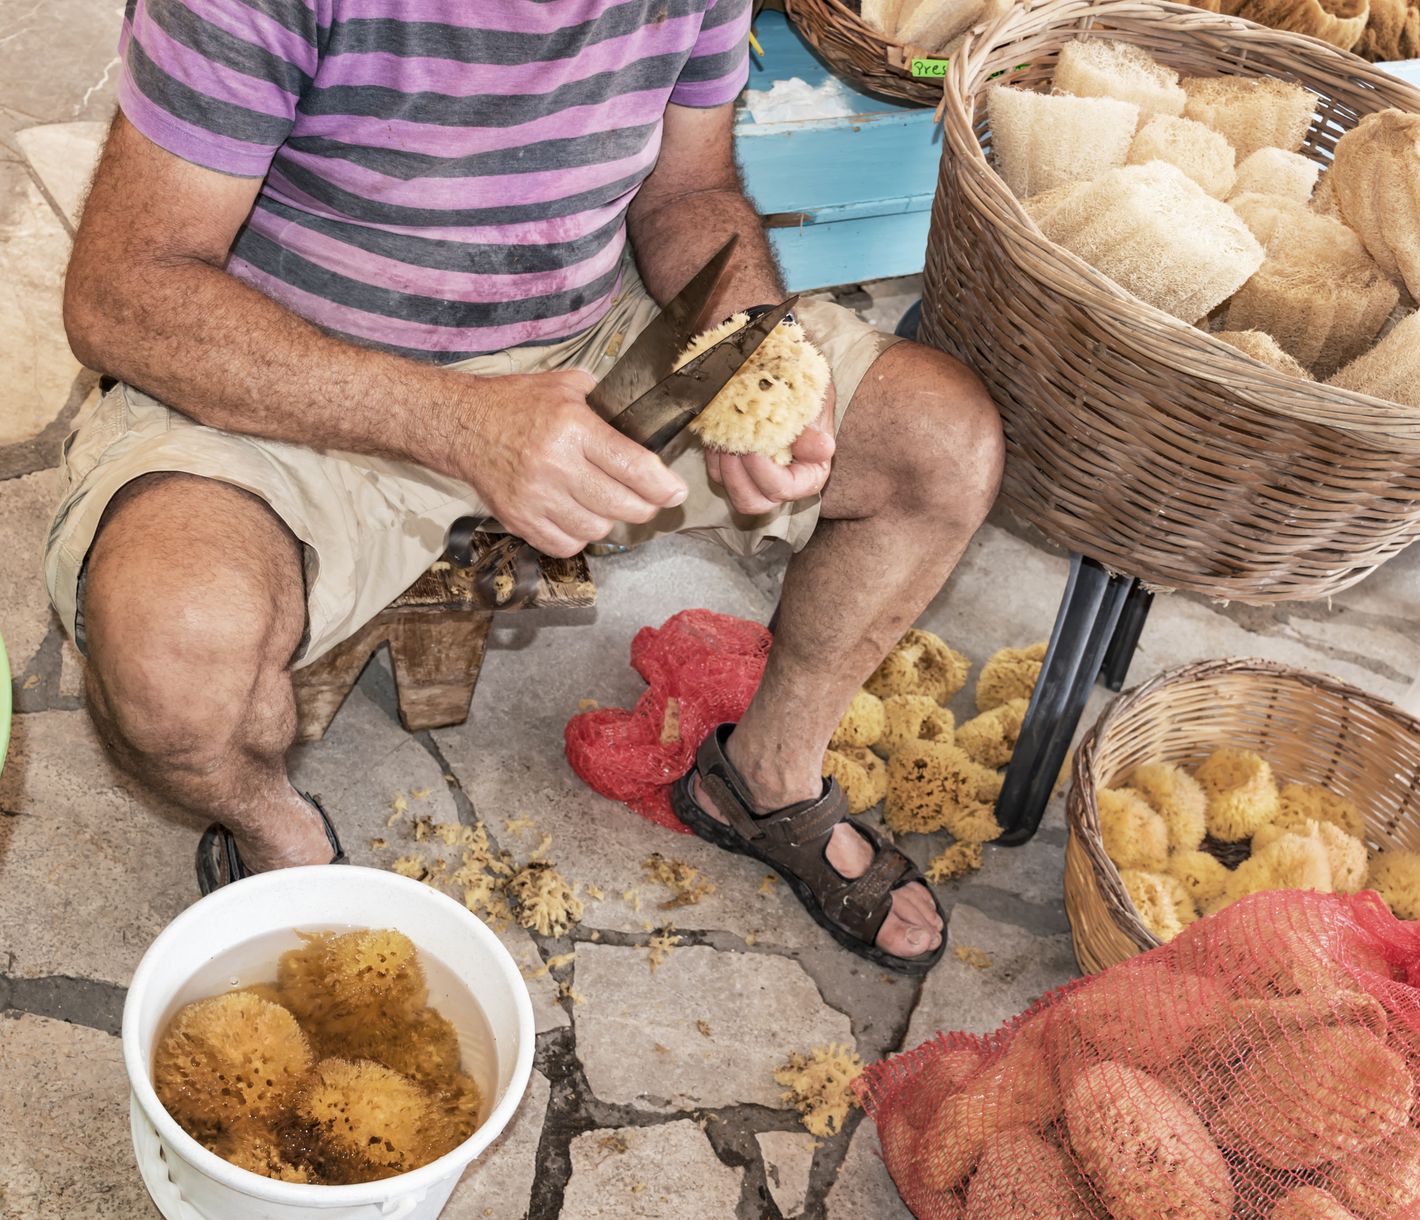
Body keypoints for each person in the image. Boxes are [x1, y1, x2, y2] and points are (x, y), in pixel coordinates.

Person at [51, 0, 1003, 973]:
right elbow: (121, 291)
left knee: (941, 446)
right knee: (171, 663)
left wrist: (750, 345)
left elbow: (688, 192)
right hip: (293, 365)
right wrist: (458, 422)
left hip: (582, 335)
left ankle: (764, 777)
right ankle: (279, 838)